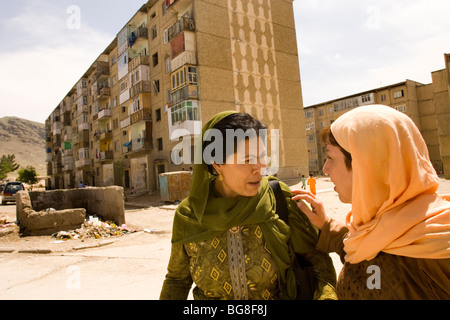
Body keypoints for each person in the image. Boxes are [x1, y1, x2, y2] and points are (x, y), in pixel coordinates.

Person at [160, 111, 337, 300]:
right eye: (248, 160)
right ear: (217, 163)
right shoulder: (189, 215)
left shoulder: (278, 198)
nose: (260, 167)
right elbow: (177, 281)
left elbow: (319, 263)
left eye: (262, 156)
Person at [292, 105, 450, 299]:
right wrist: (327, 226)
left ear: (365, 165)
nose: (325, 169)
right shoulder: (375, 228)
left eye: (331, 157)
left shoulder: (441, 246)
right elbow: (368, 256)